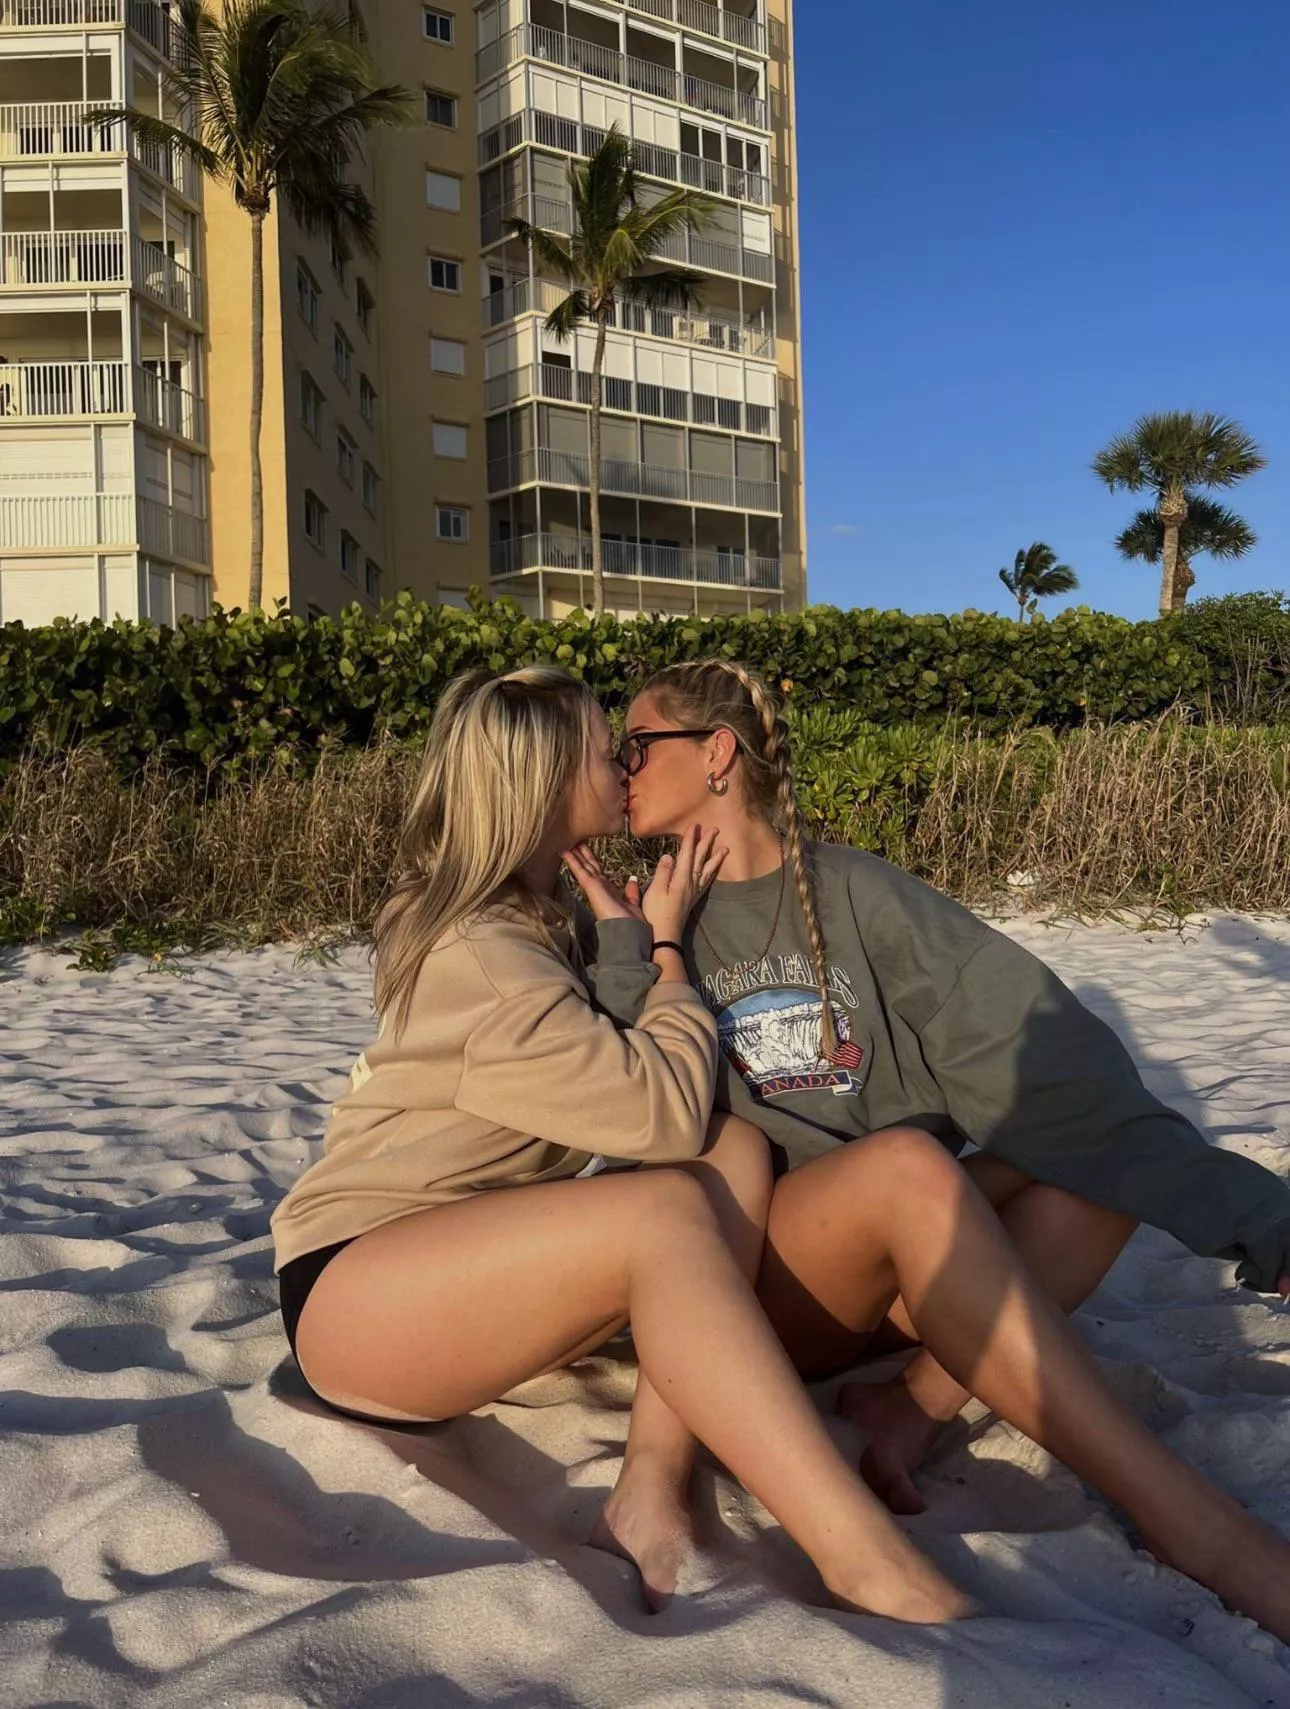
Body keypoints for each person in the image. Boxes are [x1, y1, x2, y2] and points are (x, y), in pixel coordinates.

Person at [570, 654, 1290, 1634]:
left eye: (638, 744)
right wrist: (637, 951)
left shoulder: (854, 893)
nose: (621, 767)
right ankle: (1199, 1529)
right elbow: (633, 1113)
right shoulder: (642, 915)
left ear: (718, 754)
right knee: (908, 1168)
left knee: (1090, 1168)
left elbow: (1050, 1069)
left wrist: (1261, 1219)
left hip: (897, 1269)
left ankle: (912, 1401)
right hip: (751, 1284)